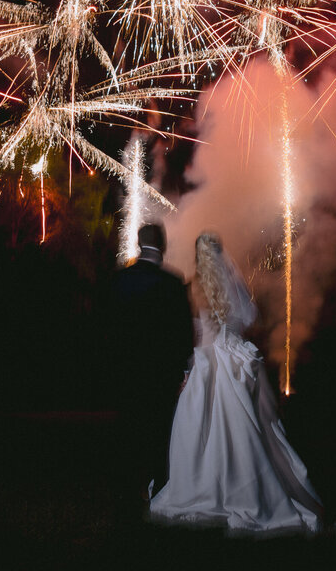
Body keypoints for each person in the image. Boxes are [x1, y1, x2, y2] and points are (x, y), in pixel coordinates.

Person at [149, 232, 323, 534]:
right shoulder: (233, 285)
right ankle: (253, 489)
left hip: (204, 364)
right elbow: (250, 317)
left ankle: (201, 488)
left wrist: (187, 368)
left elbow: (189, 333)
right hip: (235, 364)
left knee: (197, 431)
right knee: (250, 431)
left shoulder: (191, 288)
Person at [107, 223, 194, 503]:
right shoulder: (172, 281)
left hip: (126, 370)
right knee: (160, 432)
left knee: (128, 427)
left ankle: (127, 488)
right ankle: (158, 489)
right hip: (161, 372)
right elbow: (183, 331)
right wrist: (184, 368)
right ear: (164, 245)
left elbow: (107, 328)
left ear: (138, 243)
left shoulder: (120, 280)